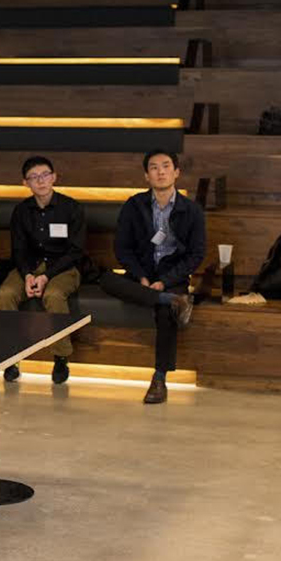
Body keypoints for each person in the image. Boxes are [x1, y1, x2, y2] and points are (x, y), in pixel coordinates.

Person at [98, 150, 204, 405]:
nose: (160, 171)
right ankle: (172, 299)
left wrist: (165, 281)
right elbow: (122, 249)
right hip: (142, 274)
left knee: (165, 314)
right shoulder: (134, 205)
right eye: (154, 168)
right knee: (105, 279)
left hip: (172, 276)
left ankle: (159, 378)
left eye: (166, 166)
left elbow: (195, 254)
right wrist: (141, 276)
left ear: (176, 172)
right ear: (146, 176)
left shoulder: (191, 210)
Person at [0, 157, 87, 384]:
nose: (41, 181)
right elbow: (18, 249)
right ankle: (11, 358)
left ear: (54, 177)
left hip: (63, 267)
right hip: (30, 266)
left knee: (54, 295)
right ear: (25, 182)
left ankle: (60, 357)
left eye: (45, 175)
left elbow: (75, 251)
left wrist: (47, 276)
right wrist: (27, 274)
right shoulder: (21, 211)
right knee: (5, 295)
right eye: (34, 177)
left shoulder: (72, 208)